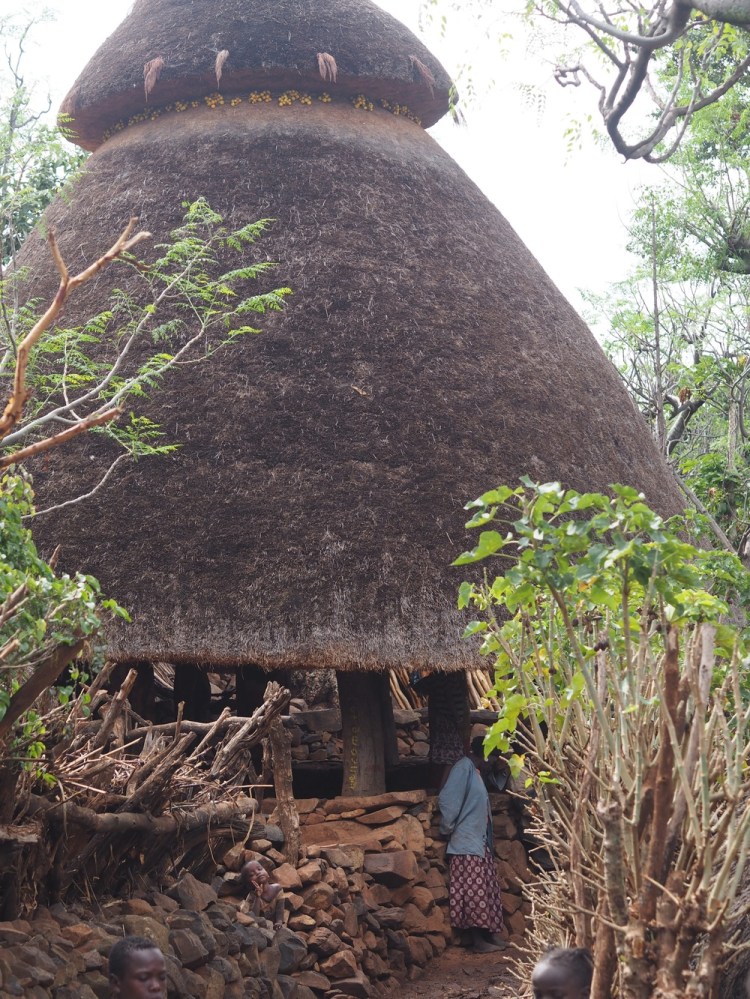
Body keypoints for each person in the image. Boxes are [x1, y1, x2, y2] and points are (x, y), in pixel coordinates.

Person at [438, 735, 505, 953]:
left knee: (484, 890)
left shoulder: (475, 772)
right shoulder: (463, 769)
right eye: (493, 757)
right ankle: (478, 941)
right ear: (484, 754)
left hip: (478, 841)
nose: (494, 762)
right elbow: (449, 799)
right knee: (474, 893)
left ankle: (488, 935)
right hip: (465, 842)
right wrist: (446, 829)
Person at [240, 858, 285, 929]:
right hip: (260, 929)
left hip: (275, 927)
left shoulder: (277, 889)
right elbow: (254, 917)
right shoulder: (251, 897)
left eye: (259, 869)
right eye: (252, 874)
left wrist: (279, 922)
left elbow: (280, 909)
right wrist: (258, 897)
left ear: (267, 873)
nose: (258, 873)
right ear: (249, 884)